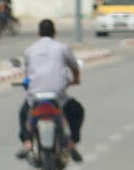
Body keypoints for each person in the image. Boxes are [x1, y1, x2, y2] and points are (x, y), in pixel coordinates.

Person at [18, 17, 84, 160]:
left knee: (23, 114)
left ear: (38, 32)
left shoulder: (30, 50)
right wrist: (76, 79)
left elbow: (27, 73)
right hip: (57, 95)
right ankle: (71, 142)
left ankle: (28, 142)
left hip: (35, 95)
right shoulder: (62, 47)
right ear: (54, 32)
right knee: (77, 111)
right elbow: (74, 66)